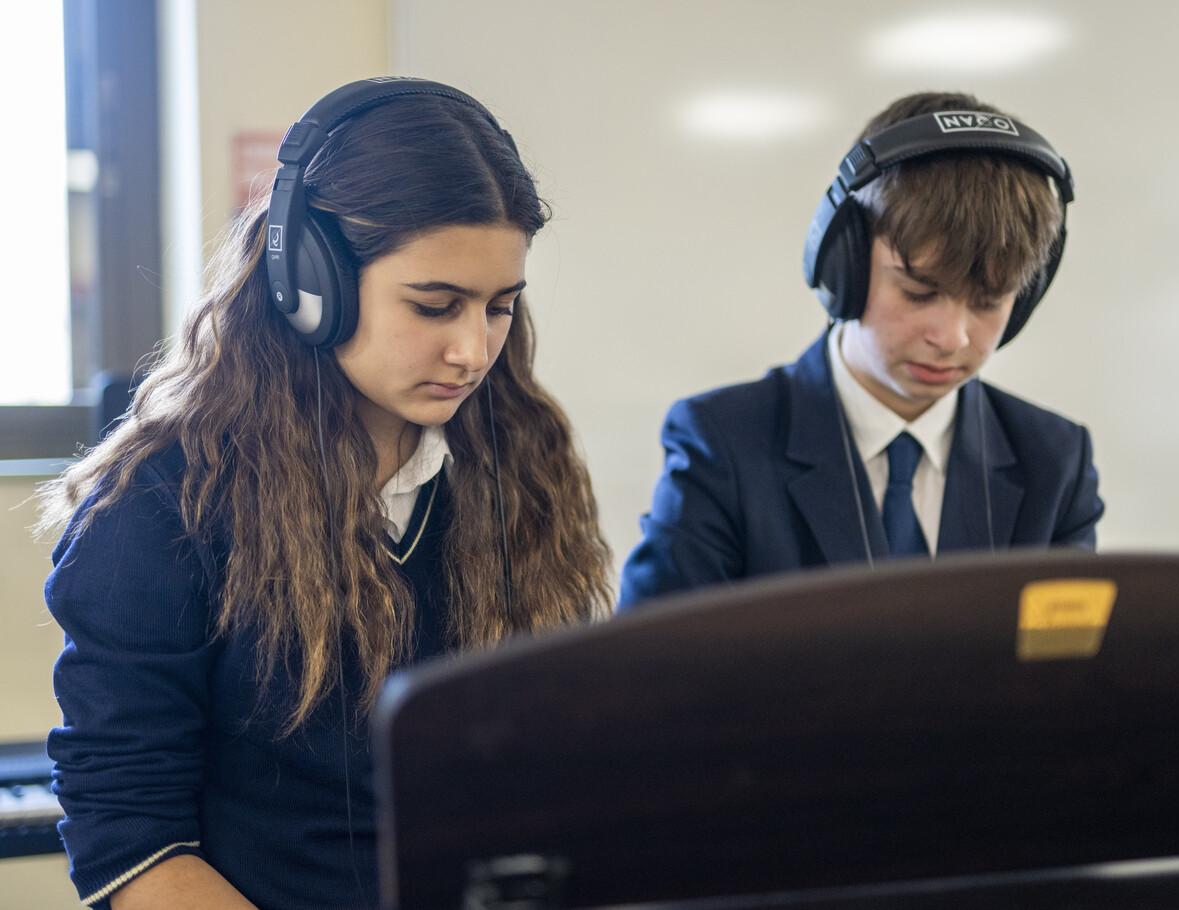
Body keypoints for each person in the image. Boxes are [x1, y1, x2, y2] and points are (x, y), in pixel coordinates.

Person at [38, 77, 612, 910]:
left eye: (498, 308)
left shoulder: (519, 458)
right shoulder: (160, 505)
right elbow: (132, 840)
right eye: (435, 305)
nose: (472, 350)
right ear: (309, 285)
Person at [619, 91, 1103, 609]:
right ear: (842, 266)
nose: (953, 338)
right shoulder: (723, 443)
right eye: (919, 292)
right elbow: (651, 676)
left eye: (989, 301)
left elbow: (1069, 678)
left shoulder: (1055, 462)